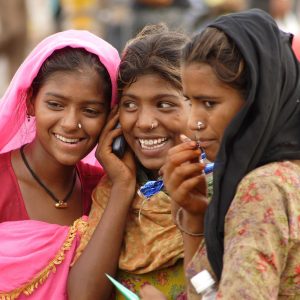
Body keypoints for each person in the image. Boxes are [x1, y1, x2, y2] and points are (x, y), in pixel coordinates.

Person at [161, 8, 300, 299]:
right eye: (189, 101)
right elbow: (208, 290)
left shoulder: (264, 189)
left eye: (209, 103)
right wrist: (196, 218)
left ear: (256, 103)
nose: (192, 122)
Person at [0, 29, 121, 298]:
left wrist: (122, 185)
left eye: (90, 111)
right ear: (31, 102)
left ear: (111, 118)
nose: (70, 123)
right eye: (55, 105)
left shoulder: (102, 190)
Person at [74, 23, 191, 299]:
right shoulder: (114, 189)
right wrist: (122, 189)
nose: (145, 122)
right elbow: (83, 295)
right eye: (130, 105)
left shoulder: (225, 184)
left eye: (164, 104)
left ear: (197, 106)